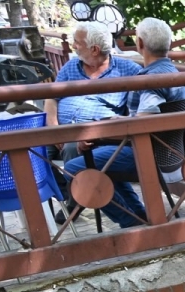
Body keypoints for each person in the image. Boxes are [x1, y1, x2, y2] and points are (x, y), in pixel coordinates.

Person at [63, 18, 185, 229]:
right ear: (169, 44)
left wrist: (99, 134)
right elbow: (146, 119)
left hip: (149, 154)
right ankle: (138, 214)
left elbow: (143, 124)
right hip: (169, 152)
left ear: (140, 43)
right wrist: (118, 122)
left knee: (75, 168)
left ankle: (128, 220)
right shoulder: (173, 73)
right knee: (104, 159)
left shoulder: (151, 79)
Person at [45, 21, 140, 213]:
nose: (73, 46)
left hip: (95, 135)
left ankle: (76, 202)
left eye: (77, 42)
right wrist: (54, 128)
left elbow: (145, 103)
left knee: (72, 150)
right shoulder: (72, 66)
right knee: (31, 155)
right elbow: (51, 98)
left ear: (94, 49)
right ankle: (71, 196)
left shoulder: (128, 70)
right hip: (59, 129)